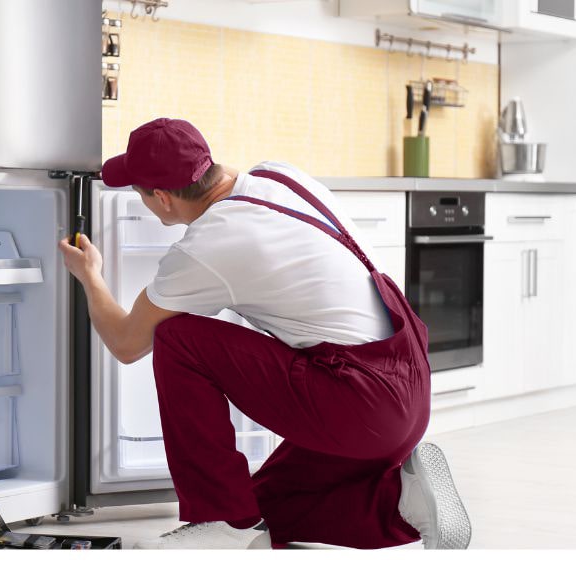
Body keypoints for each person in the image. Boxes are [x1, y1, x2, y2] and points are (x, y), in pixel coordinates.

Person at [57, 118, 471, 550]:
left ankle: (219, 522)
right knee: (264, 507)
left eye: (140, 194)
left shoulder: (208, 245)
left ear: (161, 198)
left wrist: (91, 277)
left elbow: (126, 344)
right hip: (408, 388)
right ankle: (403, 503)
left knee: (179, 340)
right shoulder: (279, 175)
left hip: (358, 401)